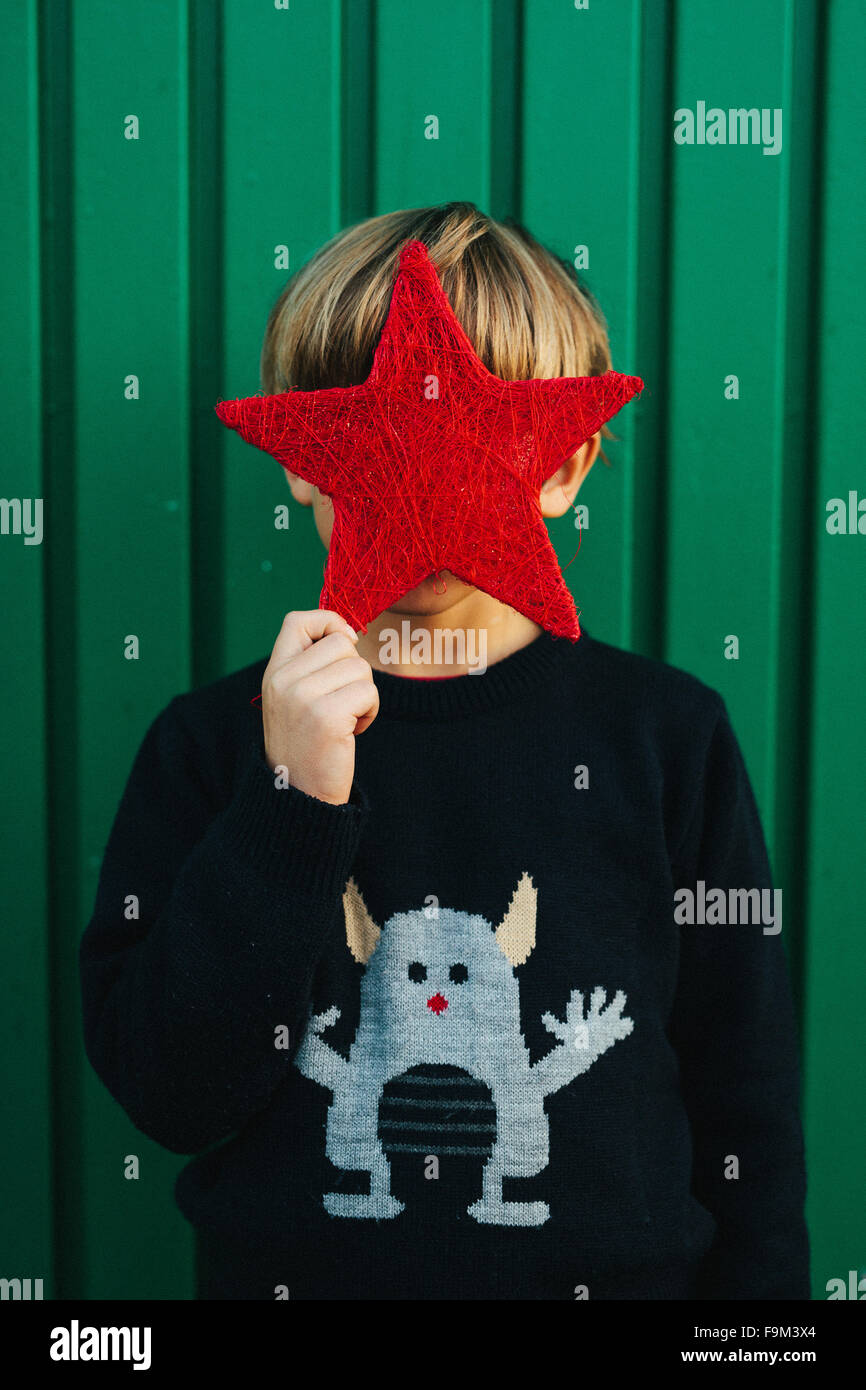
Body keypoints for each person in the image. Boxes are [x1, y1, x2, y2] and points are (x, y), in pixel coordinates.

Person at [79, 201, 809, 1300]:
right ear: (302, 465)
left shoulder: (666, 737)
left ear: (562, 471)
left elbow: (740, 1083)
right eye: (373, 444)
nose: (420, 485)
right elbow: (173, 1095)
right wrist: (291, 805)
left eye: (470, 444)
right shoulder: (205, 748)